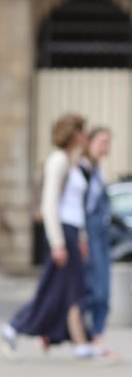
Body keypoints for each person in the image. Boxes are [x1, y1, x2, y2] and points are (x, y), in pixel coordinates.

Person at [0, 112, 99, 360]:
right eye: (83, 130)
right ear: (74, 134)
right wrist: (58, 243)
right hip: (62, 231)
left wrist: (82, 237)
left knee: (62, 289)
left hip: (72, 231)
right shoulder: (58, 161)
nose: (86, 135)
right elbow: (50, 205)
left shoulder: (72, 162)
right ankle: (18, 328)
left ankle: (62, 338)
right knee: (64, 288)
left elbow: (78, 206)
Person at [80, 126, 113, 347]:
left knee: (104, 289)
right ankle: (89, 336)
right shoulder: (83, 169)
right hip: (90, 234)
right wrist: (81, 235)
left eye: (108, 142)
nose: (106, 146)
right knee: (95, 290)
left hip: (101, 234)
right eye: (101, 141)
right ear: (89, 143)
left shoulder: (98, 170)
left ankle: (96, 337)